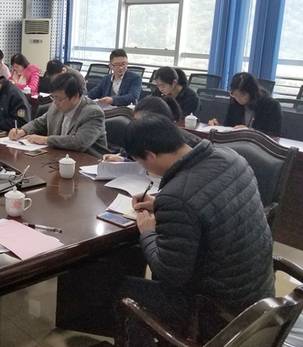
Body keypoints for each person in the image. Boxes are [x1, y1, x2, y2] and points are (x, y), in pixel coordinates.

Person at [115, 114, 274, 345]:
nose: (144, 167)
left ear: (150, 155)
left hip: (219, 309)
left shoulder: (176, 196)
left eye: (140, 162)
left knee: (124, 289)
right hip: (258, 293)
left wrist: (148, 232)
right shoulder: (232, 158)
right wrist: (160, 205)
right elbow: (210, 206)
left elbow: (170, 274)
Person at [8, 73, 109, 157]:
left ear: (75, 96)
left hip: (87, 163)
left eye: (58, 98)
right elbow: (38, 124)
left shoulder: (93, 113)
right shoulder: (56, 106)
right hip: (59, 157)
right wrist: (22, 131)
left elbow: (79, 142)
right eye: (53, 97)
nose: (55, 102)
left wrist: (45, 140)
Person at [102, 96, 202, 162]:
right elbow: (131, 156)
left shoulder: (191, 146)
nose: (137, 126)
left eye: (141, 122)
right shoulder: (139, 135)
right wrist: (122, 159)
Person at [208, 72, 282, 137]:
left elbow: (274, 134)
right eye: (235, 95)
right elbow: (229, 126)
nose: (238, 98)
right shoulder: (234, 103)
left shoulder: (271, 105)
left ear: (252, 92)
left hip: (259, 145)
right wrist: (218, 127)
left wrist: (250, 131)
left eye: (242, 95)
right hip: (236, 143)